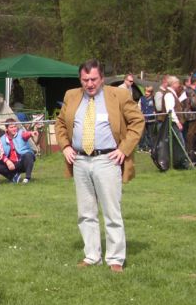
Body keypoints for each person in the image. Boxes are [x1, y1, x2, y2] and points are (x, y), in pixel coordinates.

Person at [55, 59, 144, 272]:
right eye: (85, 80)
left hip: (108, 160)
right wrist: (65, 146)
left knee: (112, 212)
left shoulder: (119, 95)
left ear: (102, 78)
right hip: (79, 160)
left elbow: (137, 121)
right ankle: (92, 255)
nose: (90, 84)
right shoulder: (71, 96)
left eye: (94, 79)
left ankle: (115, 259)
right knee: (86, 212)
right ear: (80, 79)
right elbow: (60, 123)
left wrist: (123, 149)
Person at [0, 119, 37, 183]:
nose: (14, 129)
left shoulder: (21, 133)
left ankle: (27, 178)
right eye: (11, 127)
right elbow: (1, 153)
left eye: (15, 126)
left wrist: (31, 133)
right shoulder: (2, 139)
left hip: (21, 162)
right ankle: (13, 177)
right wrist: (7, 161)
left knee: (29, 155)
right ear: (6, 129)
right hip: (10, 165)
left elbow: (26, 135)